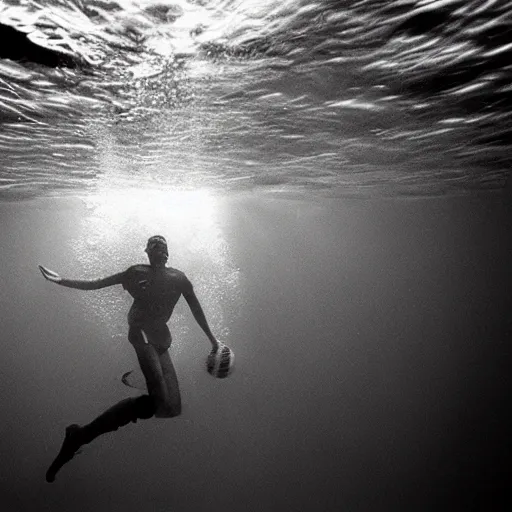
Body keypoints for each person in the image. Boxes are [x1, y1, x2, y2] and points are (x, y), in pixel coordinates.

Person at [39, 235, 219, 483]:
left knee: (170, 408)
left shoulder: (179, 278)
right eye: (155, 246)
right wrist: (62, 281)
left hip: (160, 337)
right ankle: (80, 436)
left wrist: (214, 340)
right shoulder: (134, 272)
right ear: (147, 251)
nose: (161, 250)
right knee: (158, 403)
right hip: (141, 332)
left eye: (165, 246)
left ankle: (86, 431)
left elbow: (196, 309)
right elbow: (98, 283)